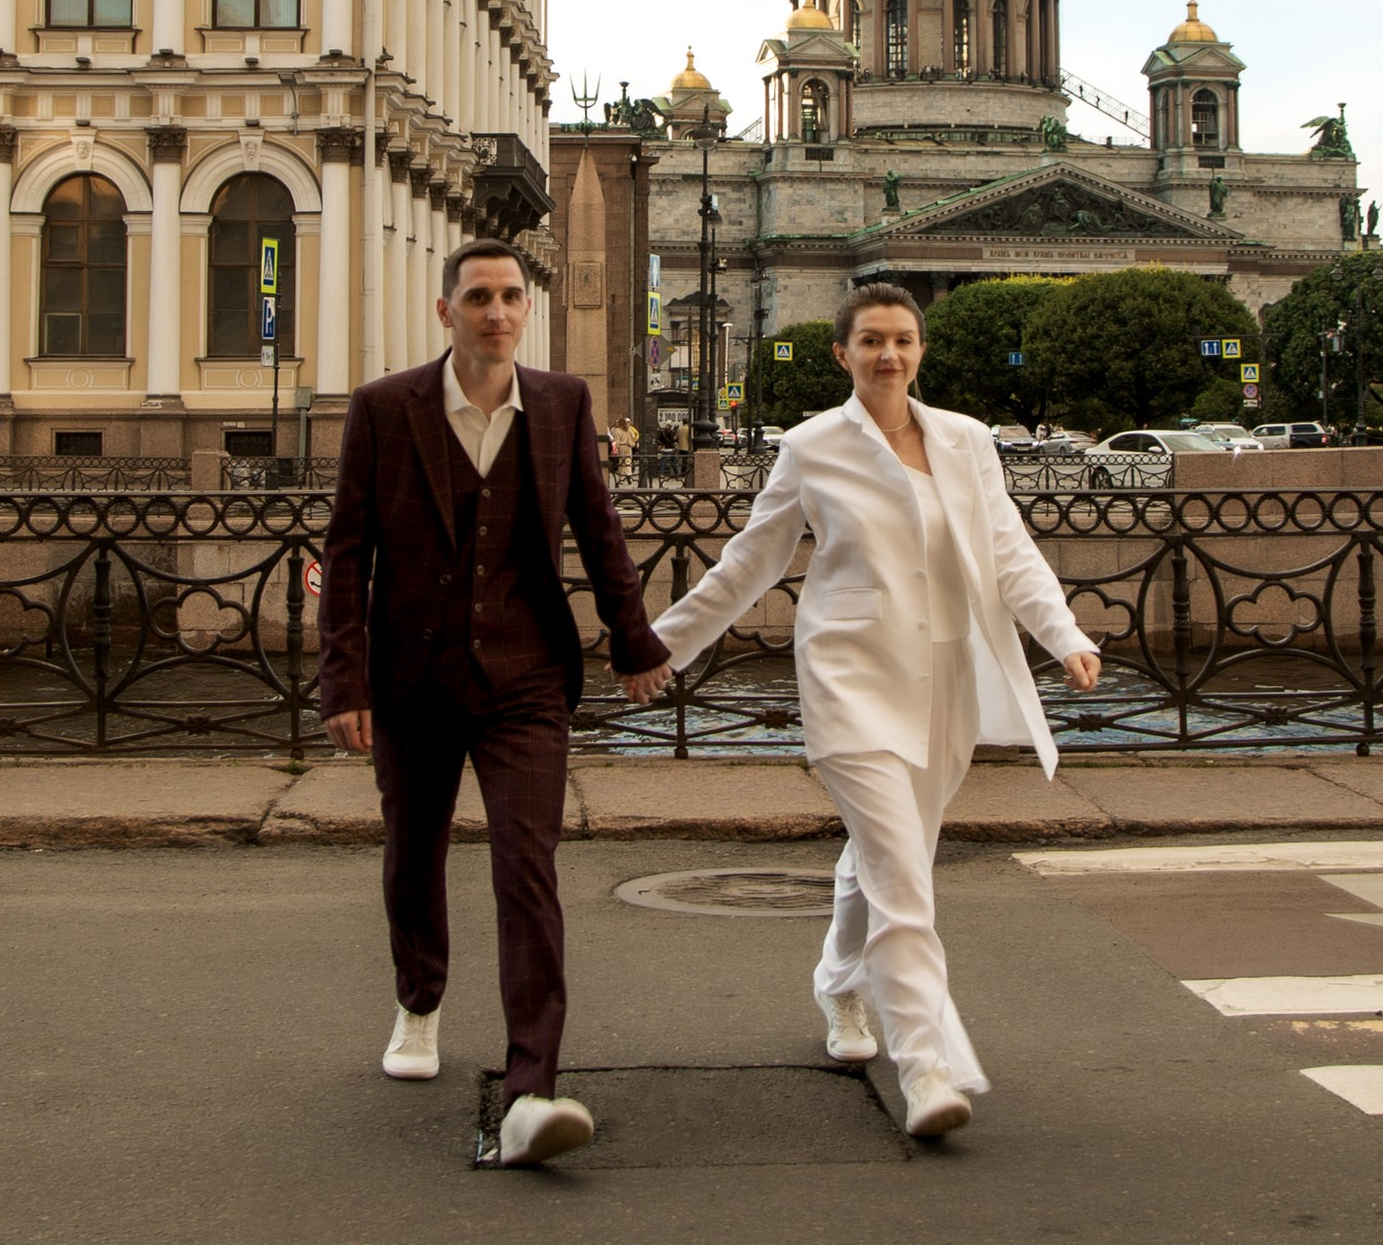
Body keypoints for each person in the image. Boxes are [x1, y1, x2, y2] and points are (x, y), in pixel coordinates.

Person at [651, 280, 1100, 1144]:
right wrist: (659, 646)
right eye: (870, 342)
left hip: (944, 678)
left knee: (888, 851)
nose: (887, 355)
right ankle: (927, 1064)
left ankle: (841, 985)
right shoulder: (813, 446)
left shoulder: (967, 441)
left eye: (901, 340)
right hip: (852, 676)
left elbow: (1009, 550)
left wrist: (1065, 635)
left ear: (920, 350)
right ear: (842, 354)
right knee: (905, 875)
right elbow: (749, 563)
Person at [319, 241, 672, 1166]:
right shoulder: (383, 408)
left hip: (524, 678)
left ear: (528, 308)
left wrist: (635, 643)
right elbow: (347, 552)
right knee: (413, 853)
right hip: (412, 678)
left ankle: (531, 1085)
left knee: (528, 867)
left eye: (512, 296)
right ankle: (420, 998)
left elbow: (599, 531)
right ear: (447, 313)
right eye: (478, 296)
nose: (497, 311)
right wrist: (343, 681)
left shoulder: (561, 404)